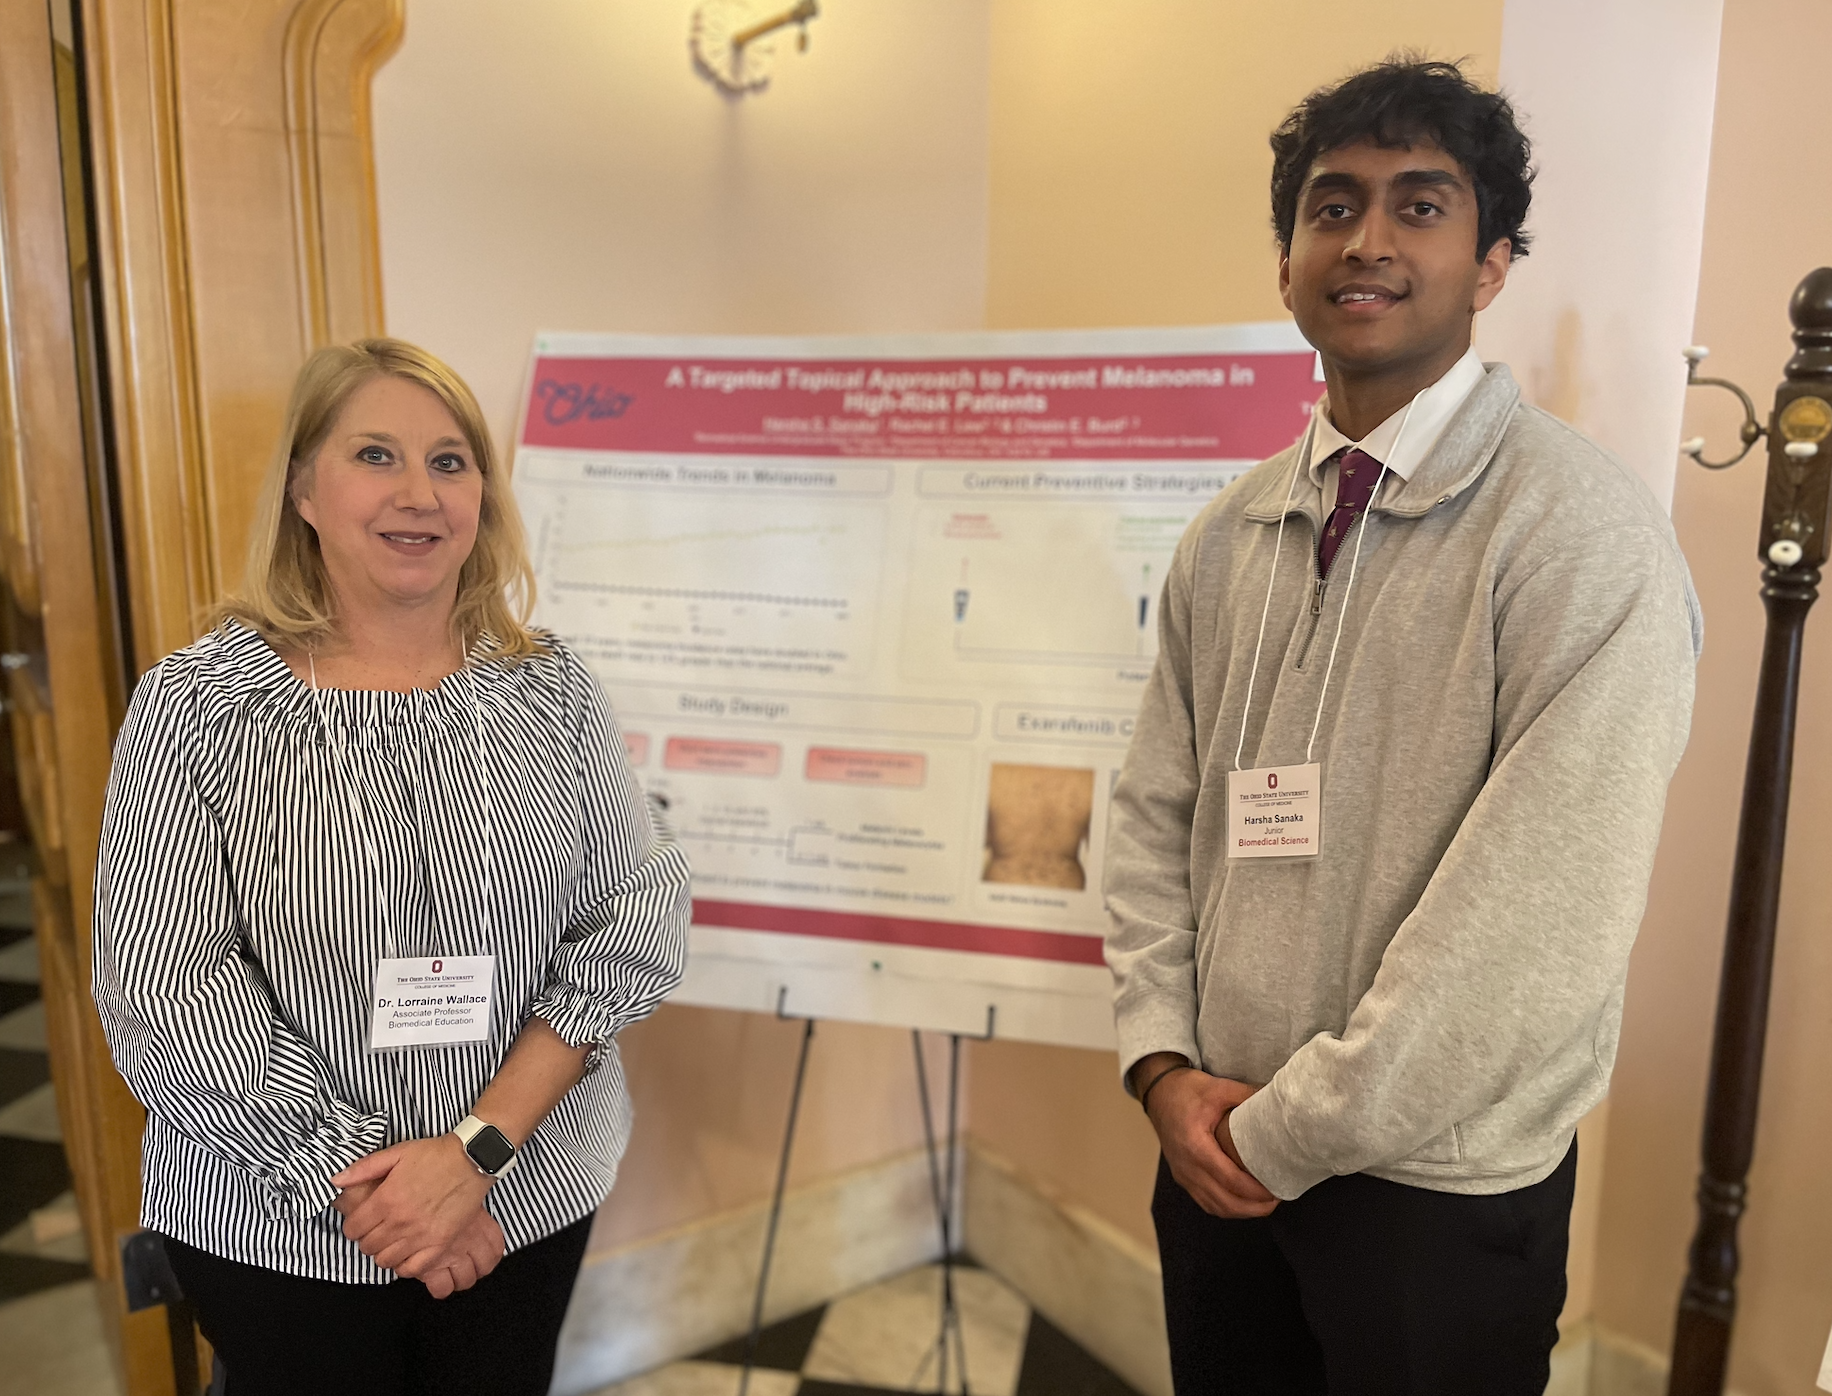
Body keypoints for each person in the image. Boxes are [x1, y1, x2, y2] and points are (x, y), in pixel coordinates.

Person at [1104, 59, 1701, 1395]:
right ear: (1287, 262)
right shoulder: (1230, 534)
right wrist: (1159, 1063)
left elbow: (1537, 917)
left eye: (1419, 206)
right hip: (1212, 1150)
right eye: (1332, 206)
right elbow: (1151, 816)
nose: (1366, 240)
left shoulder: (1579, 536)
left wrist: (1289, 1130)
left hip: (1433, 1196)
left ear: (1490, 264)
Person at [92, 338, 692, 1395]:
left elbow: (632, 924)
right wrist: (376, 1187)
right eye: (375, 455)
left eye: (449, 461)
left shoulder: (550, 690)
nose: (418, 493)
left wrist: (473, 1156)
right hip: (278, 1226)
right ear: (303, 489)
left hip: (522, 1198)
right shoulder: (199, 706)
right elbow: (166, 990)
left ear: (481, 498)